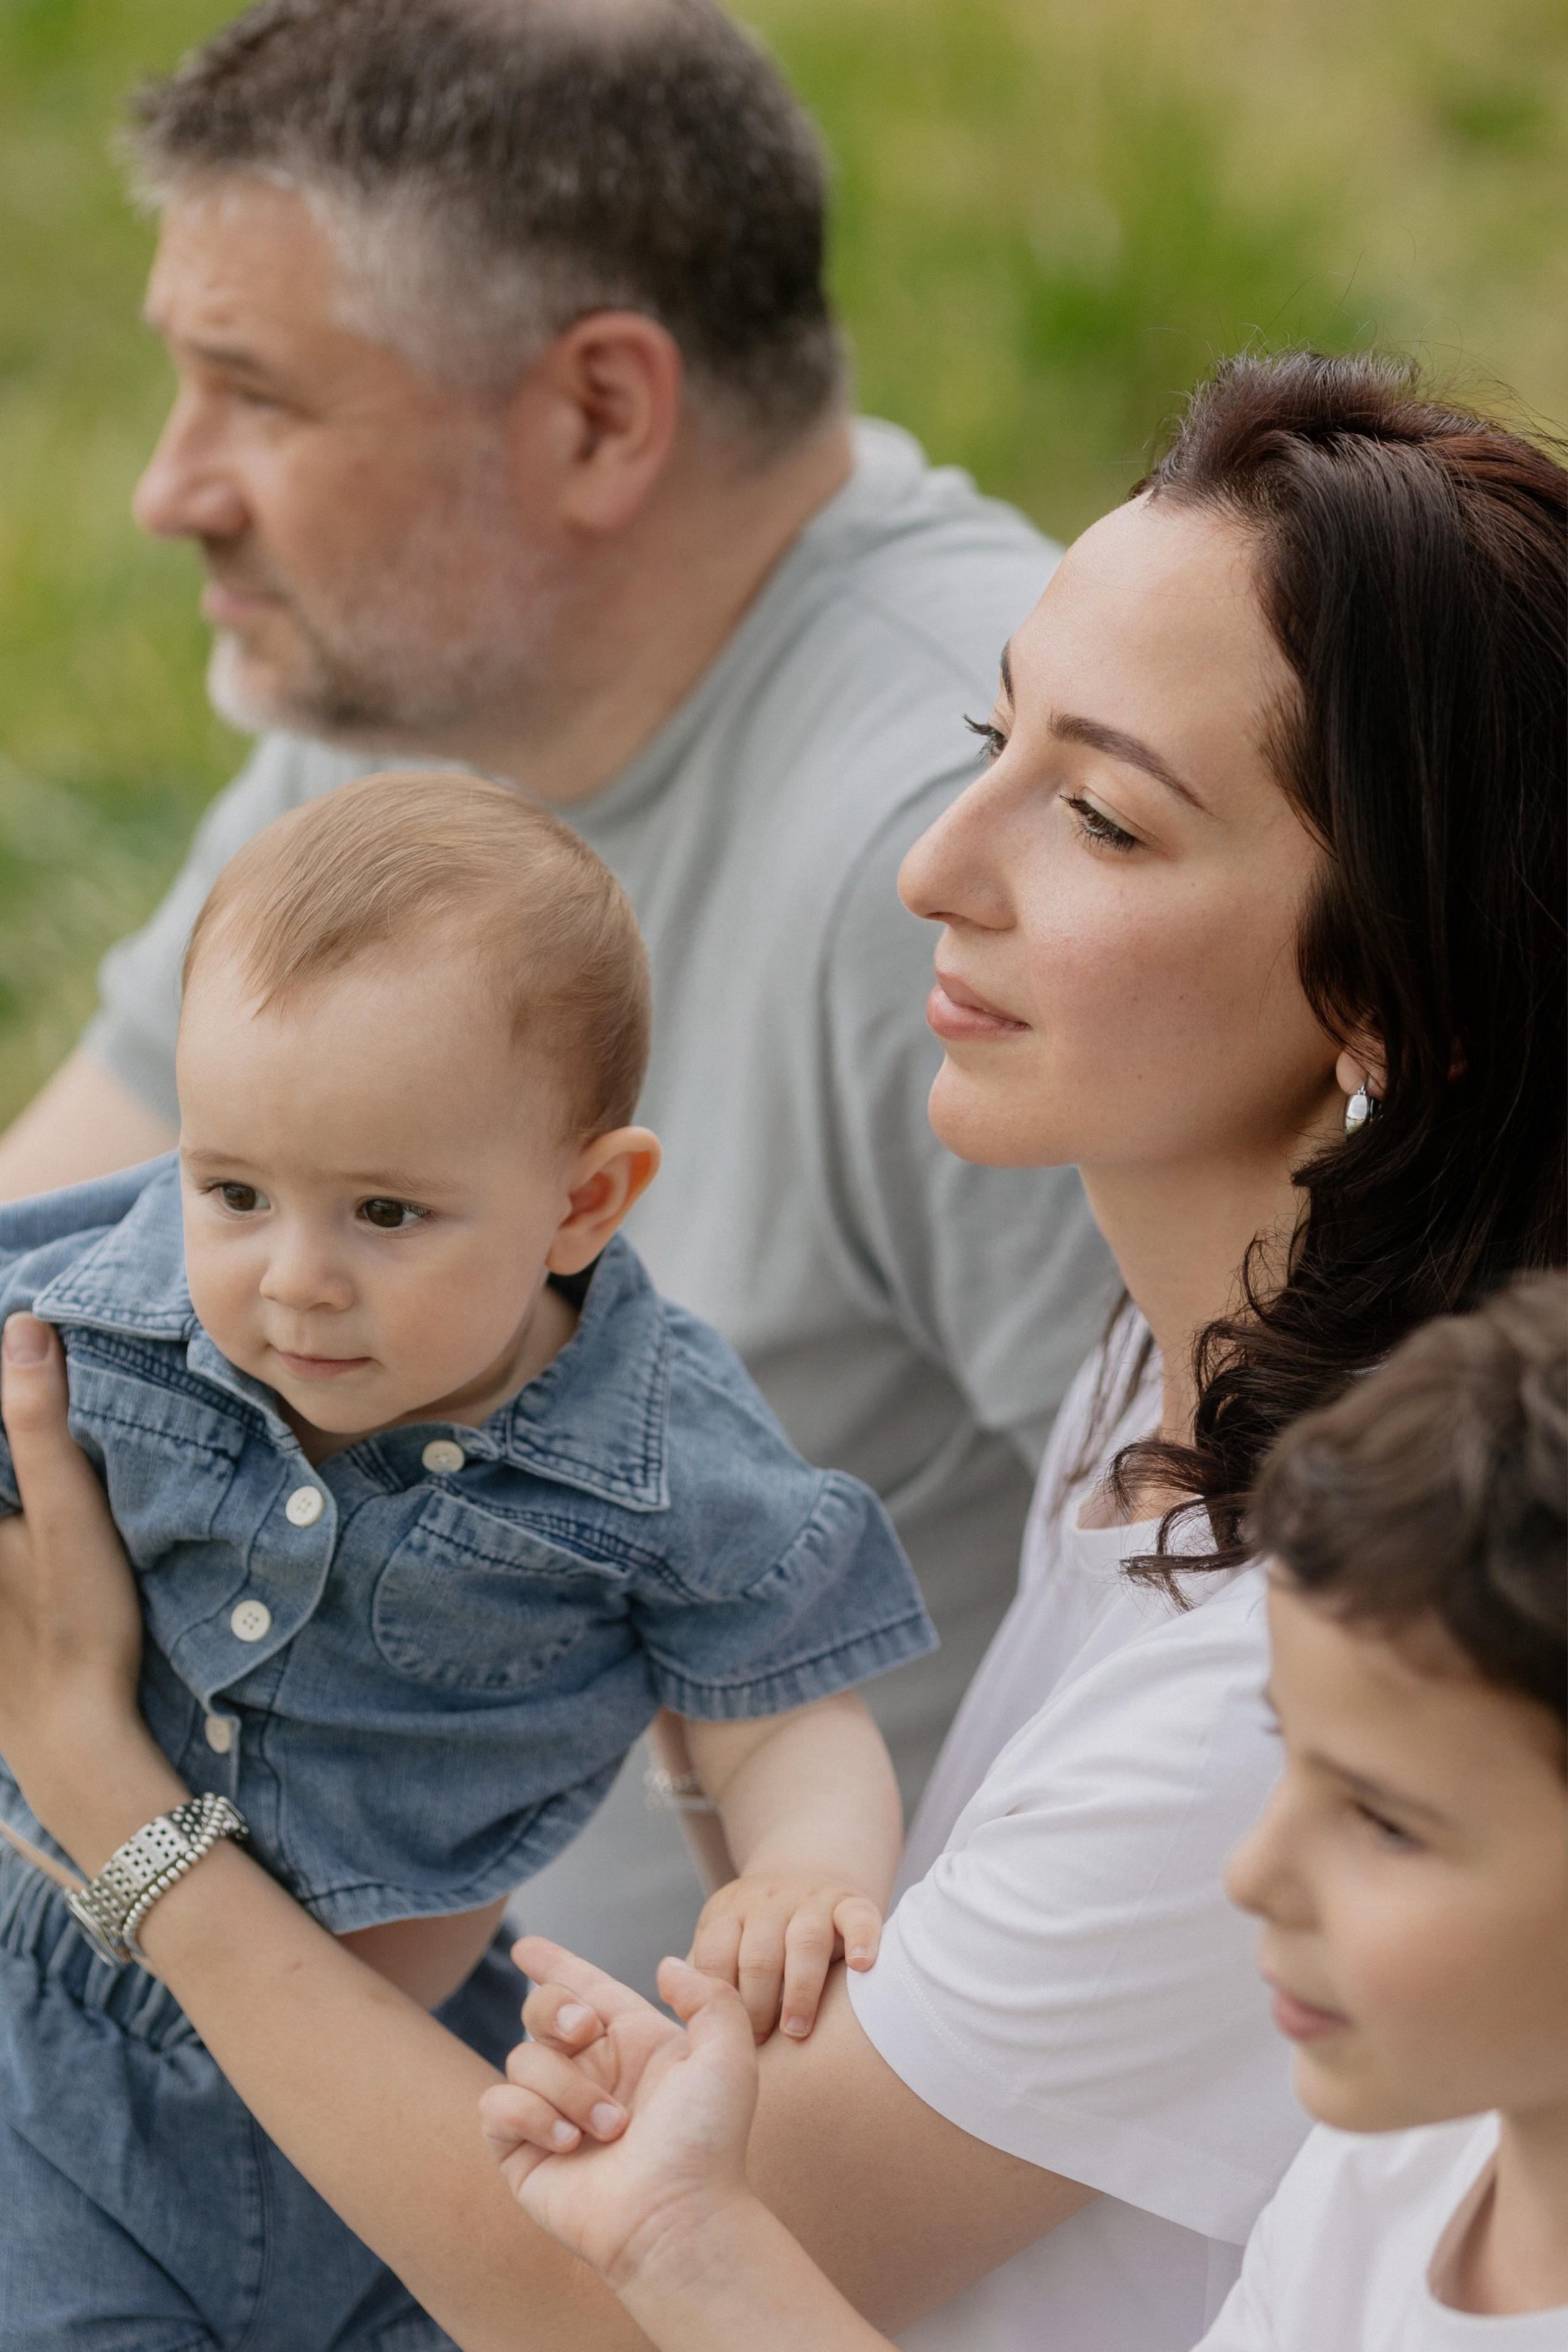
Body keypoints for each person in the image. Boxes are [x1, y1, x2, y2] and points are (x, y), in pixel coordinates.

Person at [0, 353, 1560, 2352]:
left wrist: (105, 1802)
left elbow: (613, 2304)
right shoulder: (1185, 1364)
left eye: (1096, 815)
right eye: (991, 737)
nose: (938, 865)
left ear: (1389, 992)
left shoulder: (1322, 1670)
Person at [0, 0, 1114, 1988]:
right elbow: (57, 1230)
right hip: (208, 2035)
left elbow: (1244, 1655)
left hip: (670, 2175)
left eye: (255, 394)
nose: (174, 486)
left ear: (599, 415)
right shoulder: (422, 699)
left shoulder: (962, 859)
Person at [0, 769, 932, 2350]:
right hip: (53, 2066)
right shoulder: (108, 1305)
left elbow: (774, 1697)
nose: (295, 1280)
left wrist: (800, 1871)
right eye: (232, 1190)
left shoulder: (656, 1449)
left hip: (420, 2083)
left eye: (384, 1211)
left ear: (584, 1201)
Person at [478, 1278, 1568, 2352]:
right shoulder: (1389, 2169)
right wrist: (681, 2240)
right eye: (1291, 1760)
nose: (1254, 1875)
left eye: (1386, 1823)